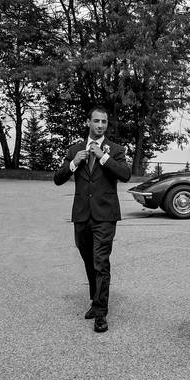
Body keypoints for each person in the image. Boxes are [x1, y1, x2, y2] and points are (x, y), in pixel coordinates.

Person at [53, 106, 131, 333]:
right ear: (88, 122)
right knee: (88, 261)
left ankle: (100, 313)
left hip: (105, 216)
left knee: (101, 262)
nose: (100, 125)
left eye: (104, 122)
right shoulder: (75, 149)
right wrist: (73, 163)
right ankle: (94, 300)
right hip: (81, 215)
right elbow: (58, 179)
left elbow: (125, 175)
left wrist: (103, 157)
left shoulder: (115, 150)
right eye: (96, 121)